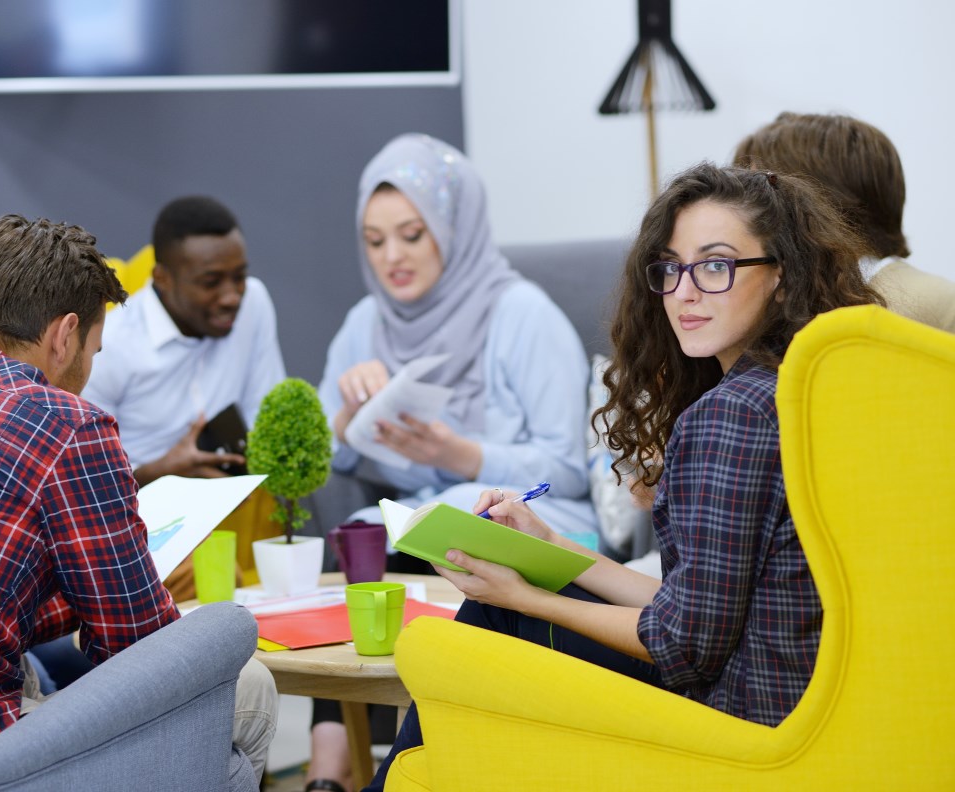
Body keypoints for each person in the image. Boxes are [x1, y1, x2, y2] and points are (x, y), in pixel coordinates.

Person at [362, 163, 882, 791]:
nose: (685, 292)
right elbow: (701, 610)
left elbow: (683, 645)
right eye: (670, 269)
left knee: (490, 621)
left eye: (715, 266)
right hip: (802, 706)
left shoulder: (731, 415)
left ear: (781, 276)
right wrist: (554, 551)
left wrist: (522, 597)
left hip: (738, 722)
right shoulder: (805, 390)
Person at [0, 214, 276, 779]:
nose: (89, 368)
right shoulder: (69, 424)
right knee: (247, 688)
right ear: (64, 336)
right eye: (95, 350)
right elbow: (140, 646)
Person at [308, 133, 596, 792]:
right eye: (375, 241)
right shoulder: (365, 322)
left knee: (440, 546)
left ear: (452, 226)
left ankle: (421, 764)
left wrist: (459, 454)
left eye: (411, 234)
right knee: (354, 542)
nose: (393, 258)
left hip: (526, 516)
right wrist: (349, 417)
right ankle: (331, 764)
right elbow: (330, 454)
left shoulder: (523, 316)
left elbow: (572, 468)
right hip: (425, 522)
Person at [81, 195, 286, 486]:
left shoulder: (254, 301)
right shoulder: (110, 347)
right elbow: (91, 480)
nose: (231, 297)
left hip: (243, 501)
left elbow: (266, 412)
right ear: (162, 278)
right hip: (143, 516)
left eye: (239, 276)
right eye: (210, 282)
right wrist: (161, 473)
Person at [734, 111, 955, 333]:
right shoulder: (785, 302)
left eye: (761, 195)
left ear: (816, 198)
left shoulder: (935, 306)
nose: (744, 212)